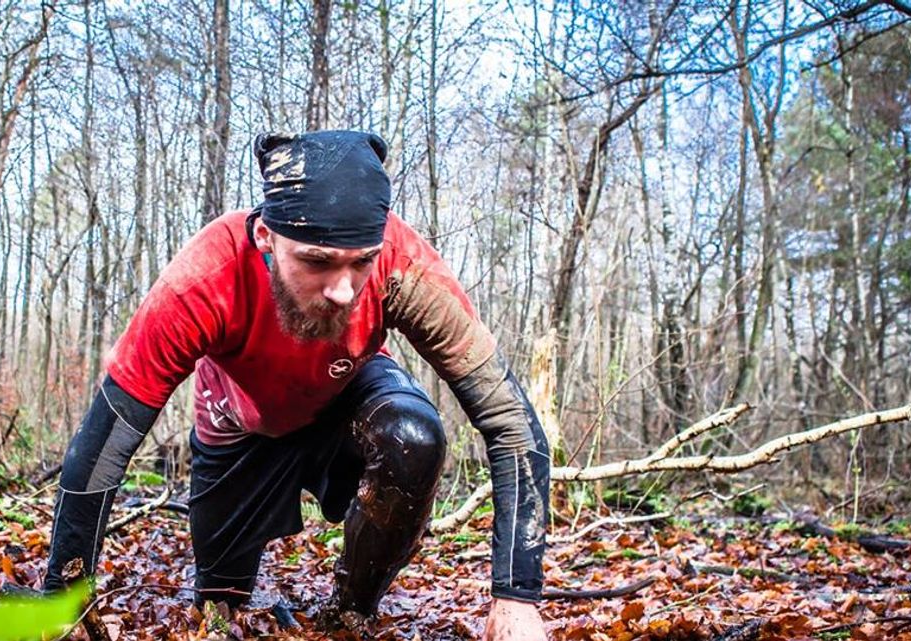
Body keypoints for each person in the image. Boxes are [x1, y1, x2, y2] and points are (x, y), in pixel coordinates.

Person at [43, 130, 551, 639]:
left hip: (347, 394)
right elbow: (106, 442)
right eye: (316, 261)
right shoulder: (206, 276)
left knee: (412, 437)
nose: (342, 289)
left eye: (361, 262)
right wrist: (63, 598)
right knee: (221, 610)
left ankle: (349, 614)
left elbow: (508, 419)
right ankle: (227, 582)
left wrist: (517, 596)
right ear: (266, 237)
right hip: (239, 427)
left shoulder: (400, 261)